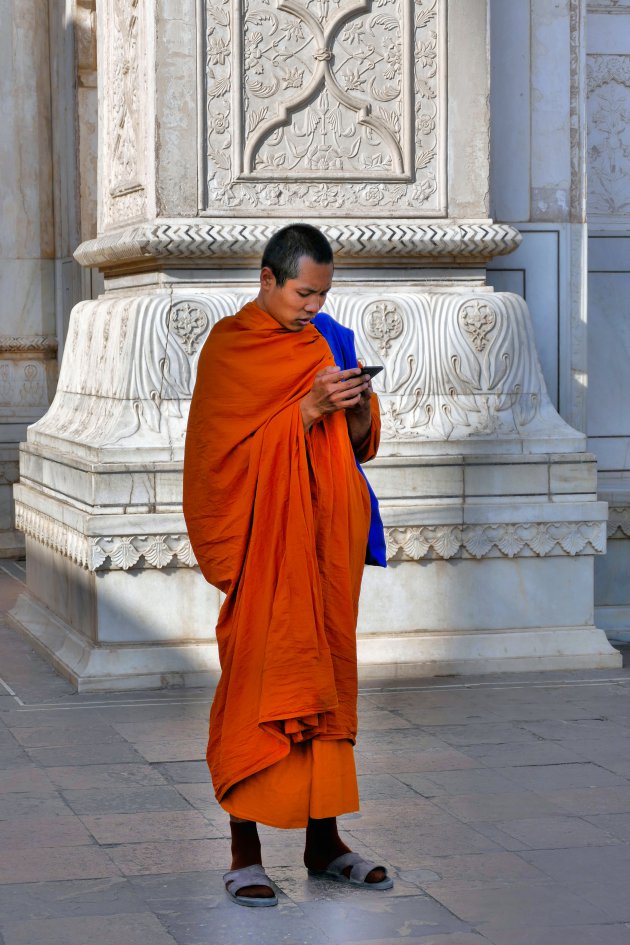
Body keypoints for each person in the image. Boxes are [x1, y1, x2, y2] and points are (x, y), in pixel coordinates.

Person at [183, 223, 392, 907]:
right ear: (267, 279)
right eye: (304, 292)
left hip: (326, 546)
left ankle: (323, 842)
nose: (313, 306)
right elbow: (218, 462)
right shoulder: (230, 346)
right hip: (264, 546)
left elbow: (358, 447)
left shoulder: (329, 338)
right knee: (260, 687)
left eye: (324, 293)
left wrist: (355, 407)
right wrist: (302, 411)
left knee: (323, 684)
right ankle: (244, 851)